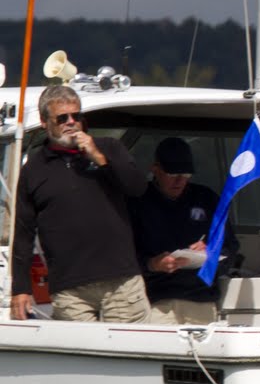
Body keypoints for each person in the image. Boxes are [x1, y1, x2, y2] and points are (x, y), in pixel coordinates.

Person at [9, 85, 150, 322]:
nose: (71, 122)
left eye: (77, 116)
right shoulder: (33, 169)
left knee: (132, 350)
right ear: (45, 122)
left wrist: (100, 158)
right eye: (62, 118)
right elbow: (23, 233)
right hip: (69, 288)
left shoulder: (109, 148)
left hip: (120, 280)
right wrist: (20, 289)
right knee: (81, 356)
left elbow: (137, 188)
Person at [128, 137, 239, 325]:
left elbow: (230, 248)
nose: (180, 181)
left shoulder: (207, 199)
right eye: (172, 173)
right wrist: (152, 264)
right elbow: (122, 256)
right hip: (155, 299)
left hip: (200, 298)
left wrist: (210, 251)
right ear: (155, 169)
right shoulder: (137, 202)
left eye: (186, 174)